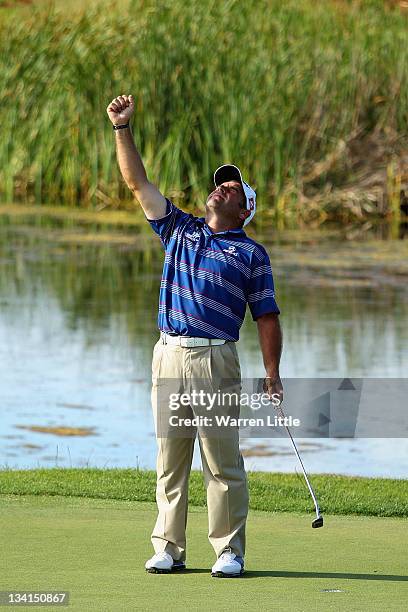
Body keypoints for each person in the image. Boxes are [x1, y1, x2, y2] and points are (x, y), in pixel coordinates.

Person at [106, 94, 283, 578]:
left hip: (215, 360)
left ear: (245, 209)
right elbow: (136, 181)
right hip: (168, 355)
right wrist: (123, 128)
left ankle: (229, 551)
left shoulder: (252, 255)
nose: (221, 188)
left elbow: (266, 317)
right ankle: (168, 546)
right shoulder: (179, 229)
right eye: (219, 183)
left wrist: (272, 374)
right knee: (170, 459)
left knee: (222, 461)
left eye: (232, 188)